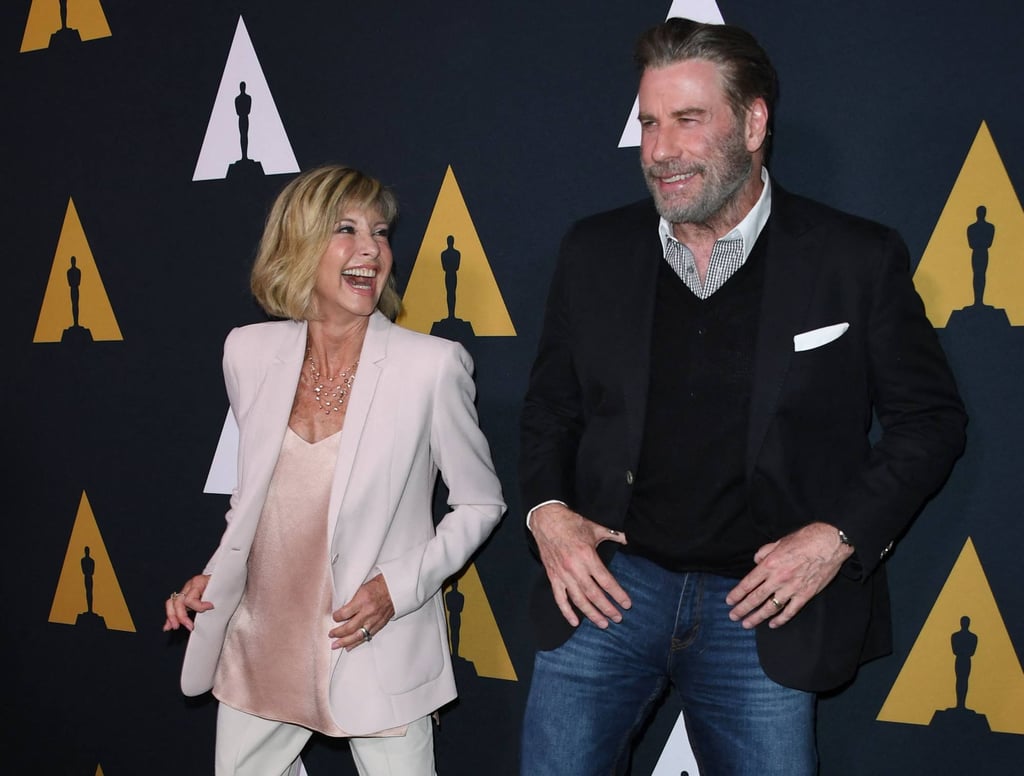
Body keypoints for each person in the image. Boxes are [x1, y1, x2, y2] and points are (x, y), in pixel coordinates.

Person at [518, 18, 966, 776]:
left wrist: (836, 538)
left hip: (761, 610)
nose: (660, 151)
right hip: (611, 593)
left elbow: (930, 421)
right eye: (651, 123)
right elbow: (549, 410)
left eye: (688, 121)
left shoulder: (853, 259)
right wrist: (548, 516)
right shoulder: (594, 251)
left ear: (754, 123)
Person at [163, 164, 506, 776]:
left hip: (372, 639)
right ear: (298, 245)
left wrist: (396, 589)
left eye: (379, 232)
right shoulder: (248, 353)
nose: (370, 248)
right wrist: (212, 579)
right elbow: (258, 502)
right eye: (345, 229)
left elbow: (480, 503)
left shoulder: (429, 367)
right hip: (262, 641)